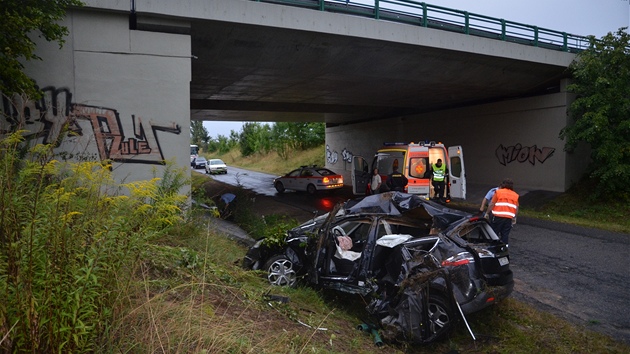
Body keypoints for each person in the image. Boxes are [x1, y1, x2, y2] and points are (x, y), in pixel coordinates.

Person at [487, 178, 519, 245]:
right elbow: (516, 207)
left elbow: (492, 204)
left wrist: (487, 213)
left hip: (497, 217)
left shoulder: (498, 192)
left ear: (502, 185)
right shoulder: (515, 195)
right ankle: (504, 248)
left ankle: (493, 248)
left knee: (494, 233)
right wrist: (514, 217)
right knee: (505, 234)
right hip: (508, 218)